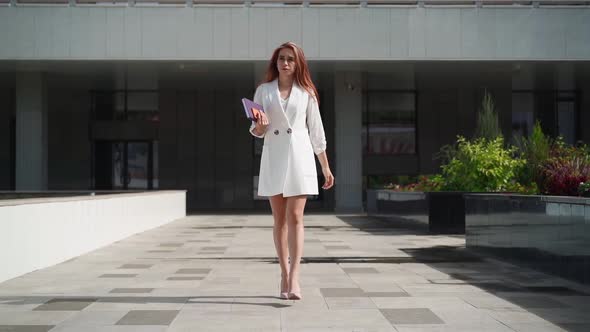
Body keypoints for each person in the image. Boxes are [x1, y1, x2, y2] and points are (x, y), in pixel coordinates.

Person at [248, 41, 335, 300]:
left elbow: (316, 133)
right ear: (275, 62)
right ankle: (283, 274)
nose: (285, 63)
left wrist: (326, 168)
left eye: (290, 59)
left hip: (299, 157)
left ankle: (295, 276)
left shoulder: (307, 92)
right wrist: (261, 127)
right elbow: (255, 130)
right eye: (281, 58)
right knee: (279, 220)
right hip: (274, 156)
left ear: (298, 64)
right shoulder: (263, 91)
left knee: (296, 217)